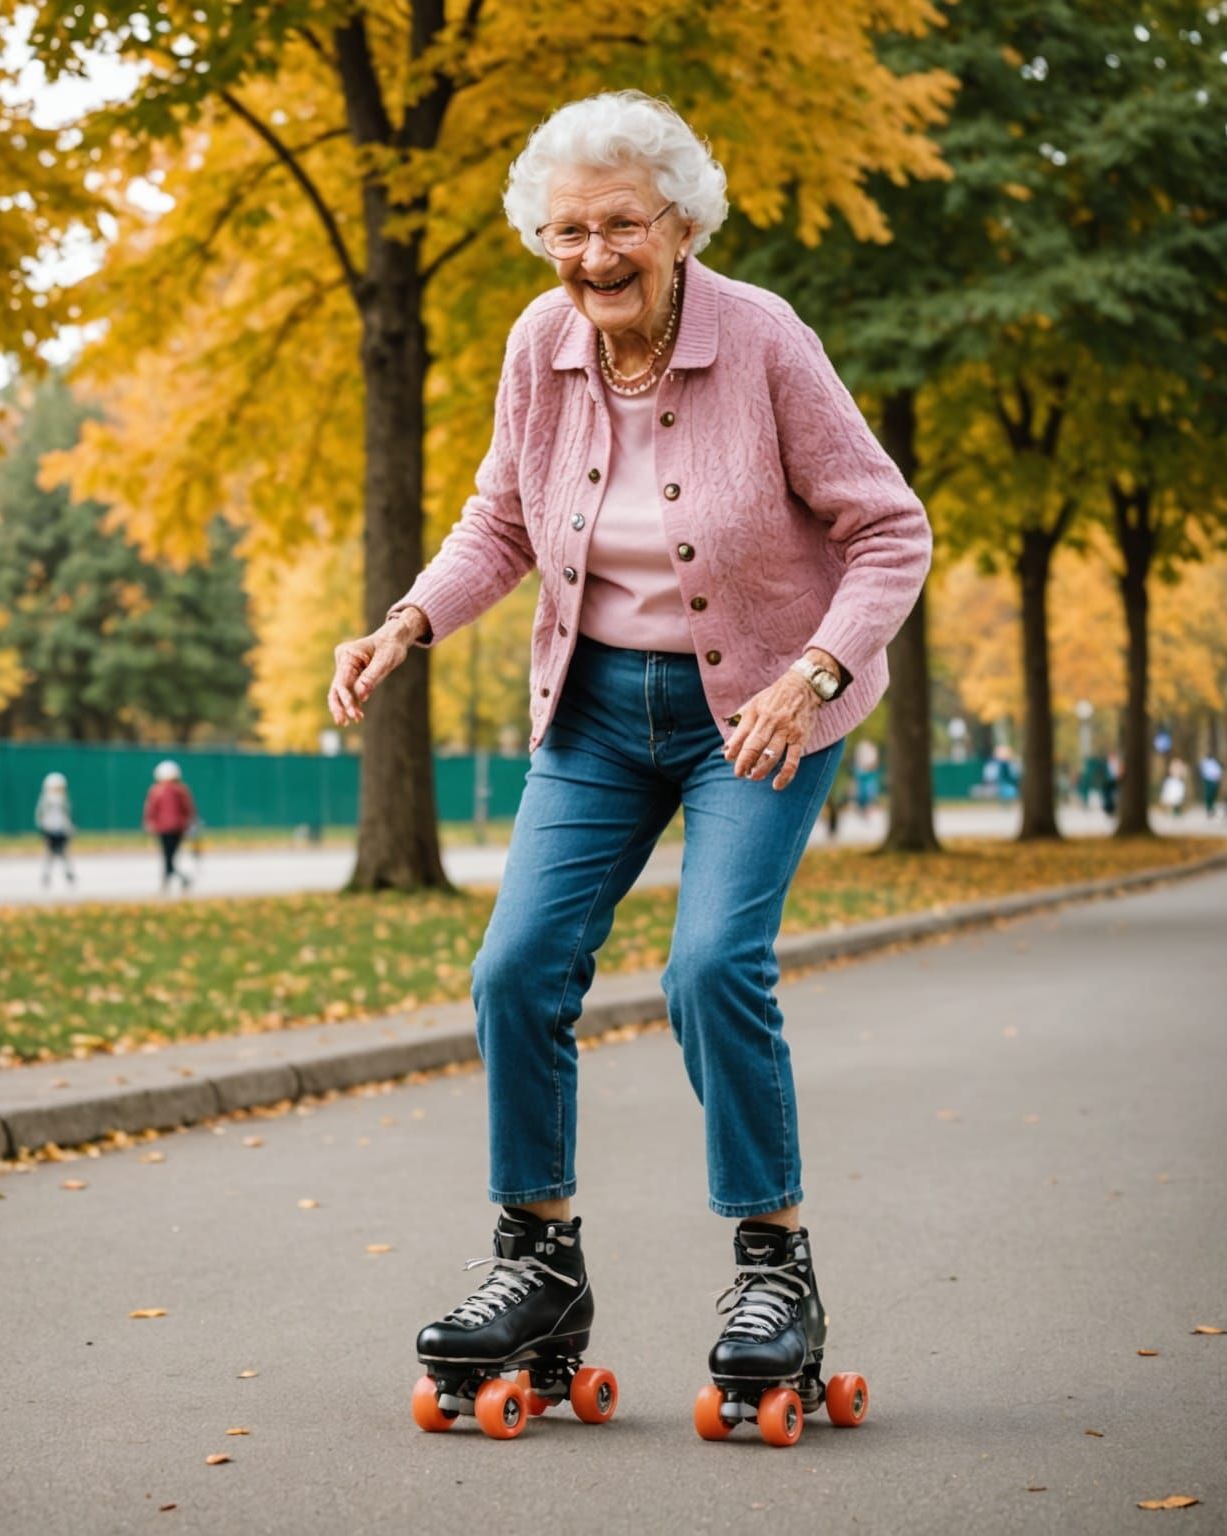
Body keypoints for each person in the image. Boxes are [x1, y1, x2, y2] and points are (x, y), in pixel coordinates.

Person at [327, 92, 931, 1441]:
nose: (592, 256)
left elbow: (891, 530)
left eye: (621, 227)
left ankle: (775, 1272)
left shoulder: (766, 339)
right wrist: (410, 619)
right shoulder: (541, 343)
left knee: (712, 964)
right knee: (514, 968)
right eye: (566, 231)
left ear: (679, 225)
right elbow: (501, 517)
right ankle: (538, 1260)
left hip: (761, 711)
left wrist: (815, 673)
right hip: (597, 708)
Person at [143, 760, 196, 893]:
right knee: (170, 856)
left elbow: (150, 809)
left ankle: (169, 882)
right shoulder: (180, 790)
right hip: (175, 827)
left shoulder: (158, 790)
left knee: (168, 856)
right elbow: (189, 809)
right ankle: (178, 879)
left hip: (168, 828)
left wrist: (149, 822)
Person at [34, 771, 76, 888]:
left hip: (61, 830)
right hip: (50, 830)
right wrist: (43, 828)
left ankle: (68, 873)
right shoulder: (45, 801)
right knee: (50, 854)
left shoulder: (63, 800)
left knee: (64, 853)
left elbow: (66, 815)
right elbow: (40, 815)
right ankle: (46, 875)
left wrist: (69, 827)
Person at [1198, 751, 1223, 817]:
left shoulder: (1214, 762)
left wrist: (1218, 778)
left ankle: (1212, 807)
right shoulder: (1205, 762)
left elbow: (1218, 771)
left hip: (1213, 780)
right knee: (1208, 794)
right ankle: (1209, 808)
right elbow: (1202, 770)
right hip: (1207, 780)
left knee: (1212, 794)